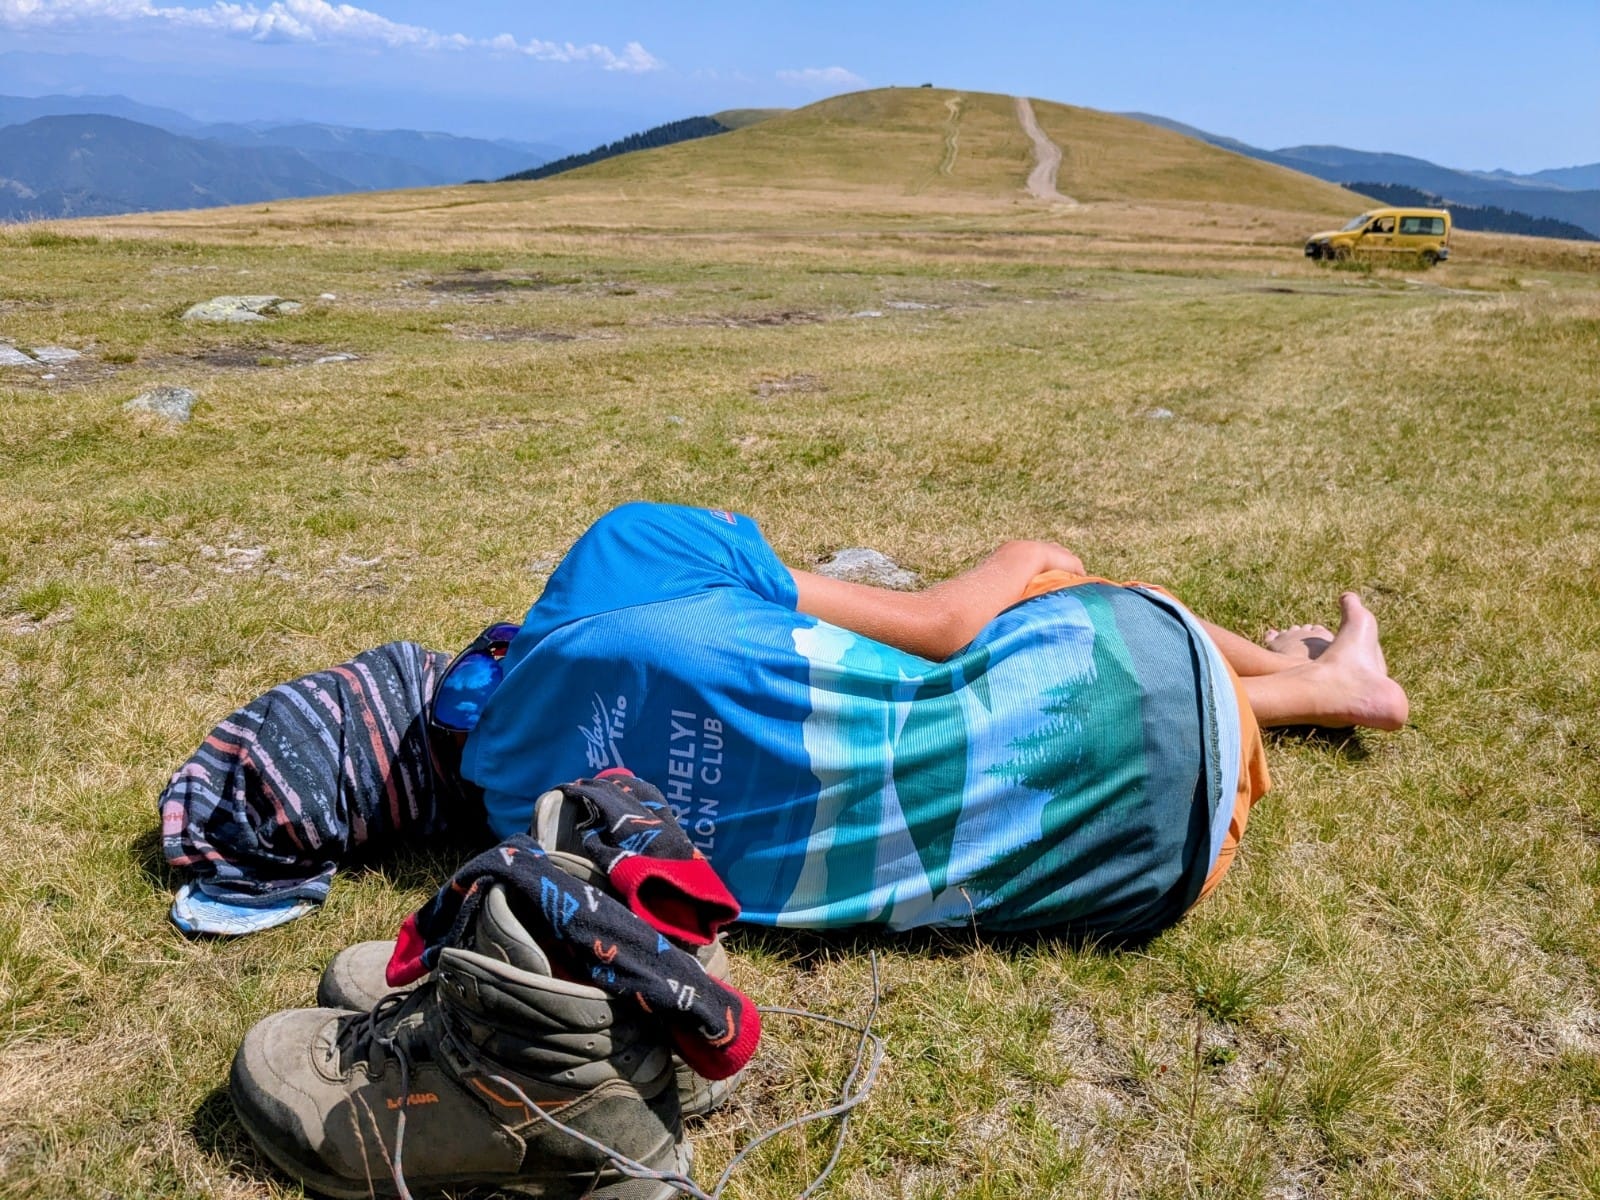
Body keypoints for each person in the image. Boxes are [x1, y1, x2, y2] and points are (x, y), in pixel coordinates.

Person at [453, 502, 1406, 941]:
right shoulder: (633, 546)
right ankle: (1321, 680)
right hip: (1161, 761)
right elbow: (942, 626)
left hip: (1147, 868)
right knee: (1055, 589)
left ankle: (1302, 680)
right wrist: (1025, 550)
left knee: (994, 706)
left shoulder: (529, 826)